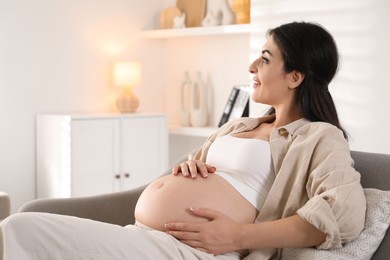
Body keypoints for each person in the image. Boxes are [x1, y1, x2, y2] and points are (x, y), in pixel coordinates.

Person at [1, 21, 366, 260]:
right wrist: (187, 167)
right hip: (145, 237)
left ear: (295, 77)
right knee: (19, 227)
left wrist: (240, 237)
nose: (252, 67)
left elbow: (343, 213)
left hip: (196, 252)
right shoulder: (237, 127)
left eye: (266, 59)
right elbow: (197, 177)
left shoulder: (319, 136)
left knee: (19, 229)